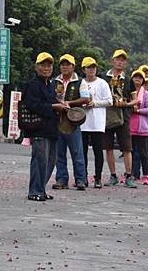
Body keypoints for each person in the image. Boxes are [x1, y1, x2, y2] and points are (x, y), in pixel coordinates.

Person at [24, 52, 68, 202]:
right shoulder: (32, 85)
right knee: (39, 160)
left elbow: (52, 101)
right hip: (38, 127)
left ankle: (41, 189)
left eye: (49, 65)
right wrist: (53, 106)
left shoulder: (51, 85)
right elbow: (32, 105)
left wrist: (62, 104)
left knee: (51, 160)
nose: (46, 68)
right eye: (43, 65)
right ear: (36, 67)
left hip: (51, 128)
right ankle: (34, 191)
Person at [52, 54, 90, 191]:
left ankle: (80, 179)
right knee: (59, 153)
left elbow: (86, 98)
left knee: (77, 152)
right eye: (62, 64)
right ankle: (61, 179)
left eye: (68, 64)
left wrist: (69, 103)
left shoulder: (80, 81)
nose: (65, 67)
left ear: (73, 67)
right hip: (58, 120)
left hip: (73, 121)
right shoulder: (54, 81)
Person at [103, 49, 136, 188]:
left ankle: (129, 175)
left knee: (127, 148)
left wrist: (127, 104)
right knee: (108, 147)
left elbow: (135, 100)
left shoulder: (128, 80)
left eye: (123, 60)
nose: (120, 62)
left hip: (123, 116)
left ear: (125, 63)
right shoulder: (103, 78)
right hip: (107, 115)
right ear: (113, 61)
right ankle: (113, 176)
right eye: (118, 59)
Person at [80, 57, 112, 188]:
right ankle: (83, 177)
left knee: (98, 151)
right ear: (84, 69)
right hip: (82, 122)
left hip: (97, 123)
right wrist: (83, 104)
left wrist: (95, 103)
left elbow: (110, 101)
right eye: (88, 67)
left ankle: (98, 177)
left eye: (93, 67)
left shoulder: (102, 83)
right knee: (82, 152)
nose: (91, 69)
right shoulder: (80, 83)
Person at [129, 69, 148, 183]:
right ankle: (133, 174)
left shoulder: (146, 94)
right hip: (130, 127)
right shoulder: (128, 92)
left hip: (142, 128)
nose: (137, 79)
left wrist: (138, 110)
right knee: (131, 152)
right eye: (135, 77)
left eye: (140, 78)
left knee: (144, 153)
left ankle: (146, 174)